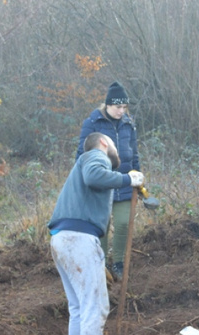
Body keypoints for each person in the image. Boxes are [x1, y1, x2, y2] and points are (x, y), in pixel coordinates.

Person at [49, 132, 144, 335]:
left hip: (63, 238)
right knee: (96, 307)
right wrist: (127, 178)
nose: (114, 148)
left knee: (79, 308)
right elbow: (94, 176)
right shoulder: (95, 156)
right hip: (78, 238)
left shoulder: (86, 168)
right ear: (103, 142)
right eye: (112, 143)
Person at [76, 81, 142, 281]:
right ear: (108, 105)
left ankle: (119, 263)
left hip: (124, 184)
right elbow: (81, 155)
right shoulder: (93, 123)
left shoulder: (128, 124)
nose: (122, 111)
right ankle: (101, 265)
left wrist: (137, 179)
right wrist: (84, 184)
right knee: (101, 226)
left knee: (123, 224)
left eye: (124, 107)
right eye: (118, 107)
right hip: (101, 185)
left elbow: (134, 155)